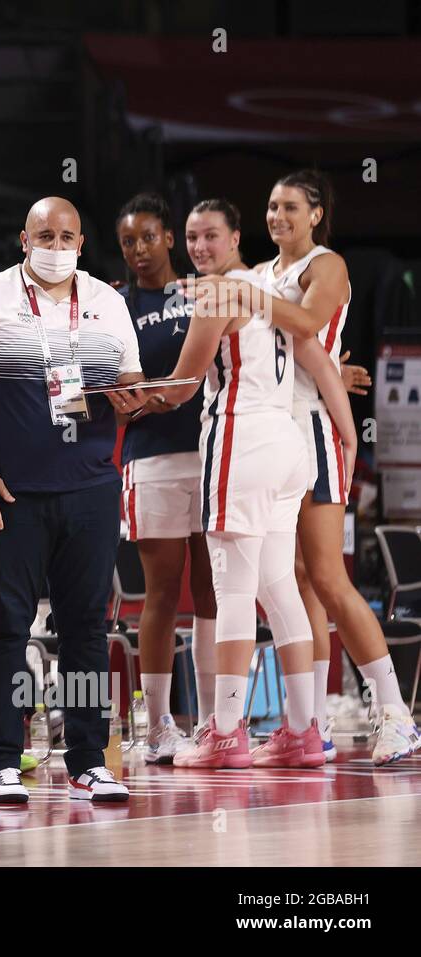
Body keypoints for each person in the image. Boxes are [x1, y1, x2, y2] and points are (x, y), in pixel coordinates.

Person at [0, 196, 148, 805]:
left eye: (66, 236)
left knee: (86, 626)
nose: (55, 245)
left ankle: (88, 759)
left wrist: (134, 400)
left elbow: (128, 384)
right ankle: (1, 759)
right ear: (23, 240)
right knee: (6, 624)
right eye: (44, 235)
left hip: (90, 487)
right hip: (11, 491)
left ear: (82, 244)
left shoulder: (108, 302)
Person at [154, 197, 358, 770]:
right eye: (191, 238)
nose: (199, 248)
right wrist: (348, 435)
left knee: (234, 590)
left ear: (235, 236)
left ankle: (224, 731)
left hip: (240, 443)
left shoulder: (222, 292)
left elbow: (184, 385)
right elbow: (318, 362)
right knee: (280, 589)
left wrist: (126, 398)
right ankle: (303, 731)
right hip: (290, 446)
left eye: (210, 236)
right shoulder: (276, 290)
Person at [256, 171, 420, 765]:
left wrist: (245, 298)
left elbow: (301, 326)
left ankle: (395, 713)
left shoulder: (327, 266)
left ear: (317, 214)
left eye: (291, 207)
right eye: (272, 206)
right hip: (271, 425)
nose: (278, 216)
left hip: (313, 428)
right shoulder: (262, 275)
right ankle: (310, 723)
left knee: (327, 576)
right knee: (293, 576)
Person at [113, 193, 216, 762]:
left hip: (214, 454)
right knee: (160, 594)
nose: (140, 250)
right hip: (152, 460)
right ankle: (156, 728)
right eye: (129, 241)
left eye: (149, 237)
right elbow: (114, 398)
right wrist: (157, 398)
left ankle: (212, 721)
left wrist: (157, 395)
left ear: (170, 238)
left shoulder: (204, 291)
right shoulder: (114, 303)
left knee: (211, 591)